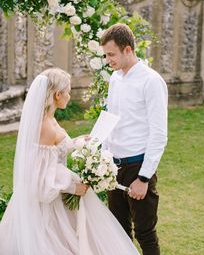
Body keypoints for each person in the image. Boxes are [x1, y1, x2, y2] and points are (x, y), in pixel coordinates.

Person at [0, 67, 140, 255]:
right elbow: (41, 179)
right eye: (68, 91)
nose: (69, 95)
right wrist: (73, 187)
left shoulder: (50, 119)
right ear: (57, 94)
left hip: (58, 196)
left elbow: (55, 151)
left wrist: (78, 142)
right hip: (47, 206)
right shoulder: (45, 127)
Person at [101, 23, 168, 255]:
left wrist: (144, 177)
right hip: (113, 167)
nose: (108, 60)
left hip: (138, 166)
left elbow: (159, 134)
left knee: (145, 234)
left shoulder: (151, 81)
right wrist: (101, 153)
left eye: (111, 54)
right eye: (106, 55)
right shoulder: (115, 78)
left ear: (127, 49)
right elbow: (112, 119)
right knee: (118, 232)